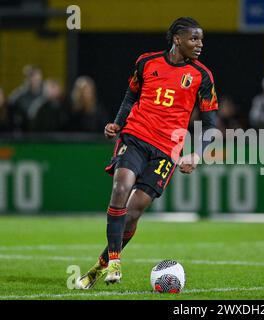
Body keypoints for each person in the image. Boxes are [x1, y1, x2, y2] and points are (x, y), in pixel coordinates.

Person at [76, 17, 218, 289]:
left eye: (201, 39)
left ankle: (101, 264)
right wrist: (118, 123)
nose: (199, 44)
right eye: (193, 39)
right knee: (121, 187)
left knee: (134, 210)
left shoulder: (203, 76)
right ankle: (116, 262)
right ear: (177, 39)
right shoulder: (147, 62)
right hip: (136, 136)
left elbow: (211, 124)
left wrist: (197, 154)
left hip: (167, 150)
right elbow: (131, 96)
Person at [7, 65, 43, 132]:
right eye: (34, 79)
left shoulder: (45, 93)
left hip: (40, 130)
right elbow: (10, 100)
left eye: (38, 79)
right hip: (25, 130)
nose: (37, 81)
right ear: (29, 79)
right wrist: (24, 86)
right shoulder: (22, 93)